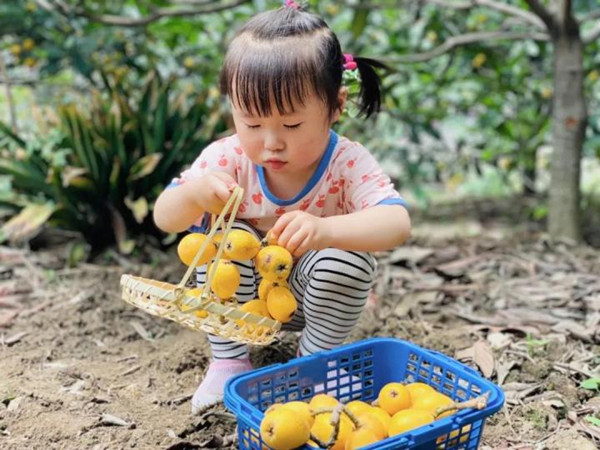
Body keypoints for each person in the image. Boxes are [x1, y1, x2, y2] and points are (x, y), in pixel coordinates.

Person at [153, 1, 411, 414]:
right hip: (245, 296)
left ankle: (314, 365)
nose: (271, 142)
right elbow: (165, 217)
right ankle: (229, 361)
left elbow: (397, 223)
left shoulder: (346, 162)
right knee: (214, 247)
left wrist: (326, 231)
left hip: (313, 295)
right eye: (252, 124)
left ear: (336, 106)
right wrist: (196, 195)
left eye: (291, 125)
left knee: (348, 260)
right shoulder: (227, 159)